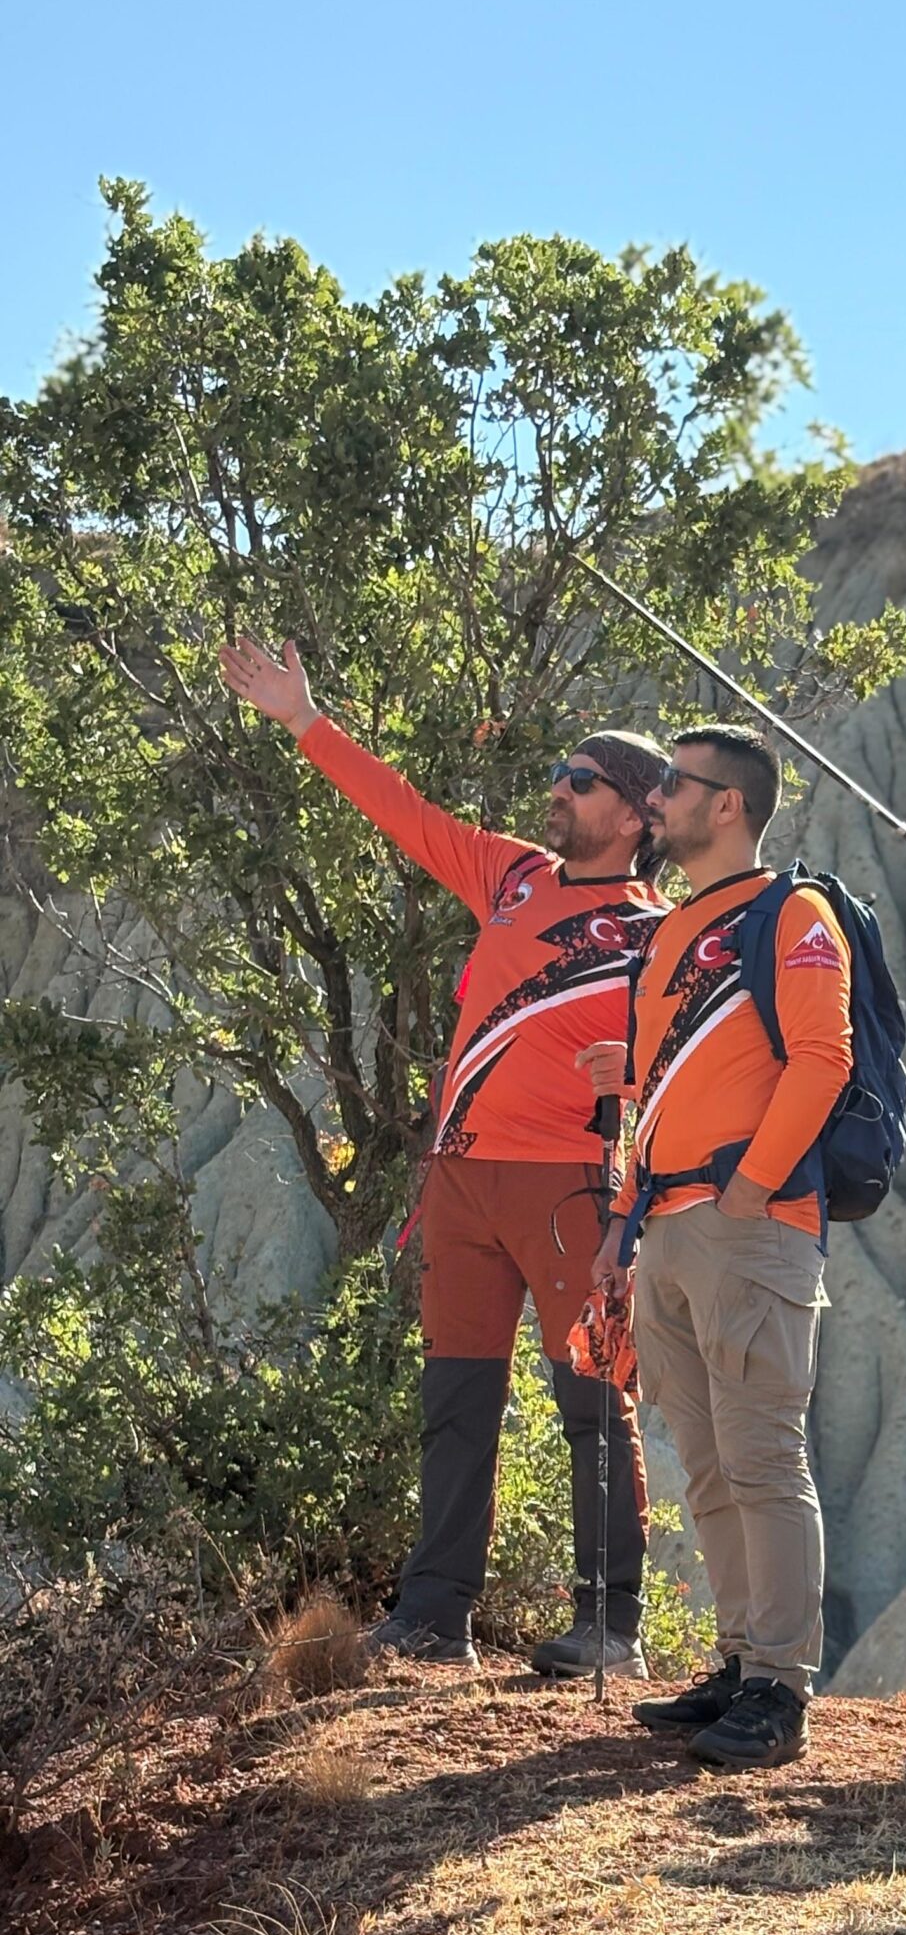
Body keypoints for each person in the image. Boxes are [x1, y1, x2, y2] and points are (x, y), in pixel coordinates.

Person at [219, 636, 663, 1675]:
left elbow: (706, 1059)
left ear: (638, 816)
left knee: (596, 1407)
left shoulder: (662, 934)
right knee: (456, 1401)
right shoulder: (510, 873)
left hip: (569, 1188)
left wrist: (635, 1071)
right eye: (560, 770)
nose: (559, 788)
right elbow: (408, 816)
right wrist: (304, 719)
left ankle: (610, 1626)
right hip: (460, 1181)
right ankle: (434, 1617)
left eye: (583, 779)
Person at [583, 725, 852, 1771]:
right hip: (667, 1226)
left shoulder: (793, 915)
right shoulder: (673, 933)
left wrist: (748, 1186)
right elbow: (653, 1100)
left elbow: (822, 1060)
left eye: (676, 789)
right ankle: (739, 1660)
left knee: (764, 1458)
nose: (657, 804)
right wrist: (621, 1223)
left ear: (726, 805)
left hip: (750, 1226)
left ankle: (781, 1686)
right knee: (705, 1463)